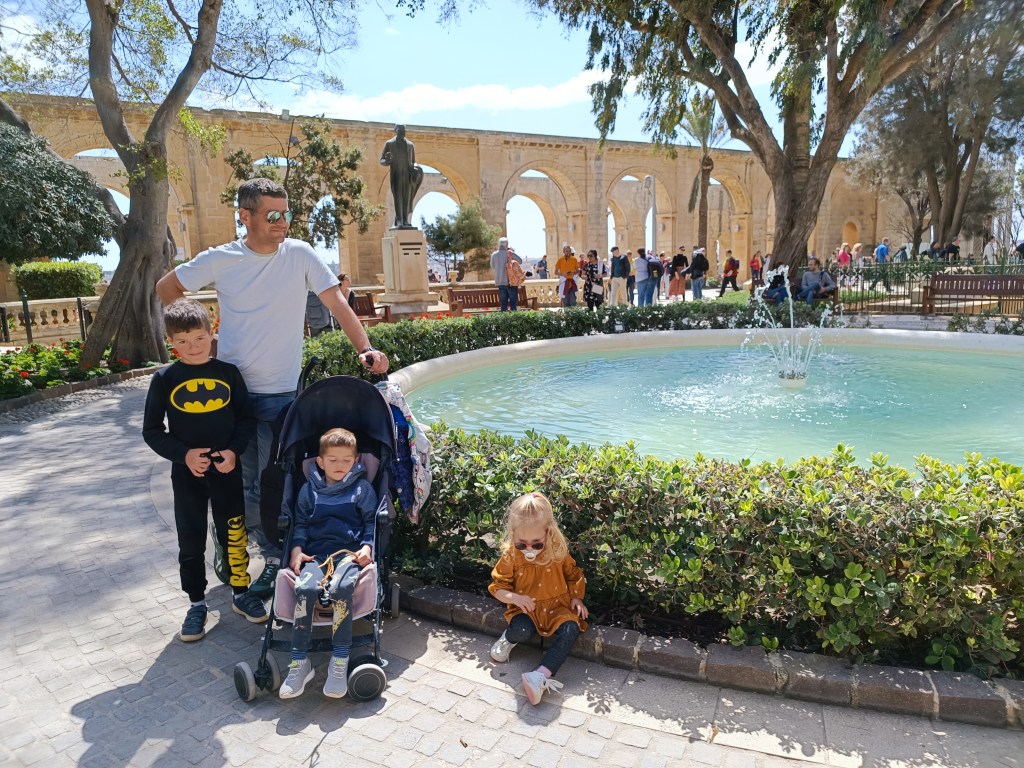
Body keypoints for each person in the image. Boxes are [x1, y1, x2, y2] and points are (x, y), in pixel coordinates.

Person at [156, 177, 389, 599]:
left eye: (287, 214)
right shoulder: (222, 258)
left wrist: (366, 348)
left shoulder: (299, 254)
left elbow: (337, 303)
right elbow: (166, 288)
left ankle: (266, 557)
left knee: (274, 484)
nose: (283, 222)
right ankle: (238, 548)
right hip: (231, 396)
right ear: (245, 216)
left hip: (283, 395)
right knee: (240, 482)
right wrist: (200, 342)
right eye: (273, 215)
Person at [142, 299, 267, 642]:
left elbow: (246, 419)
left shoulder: (228, 373)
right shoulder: (165, 379)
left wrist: (233, 451)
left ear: (211, 334)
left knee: (234, 534)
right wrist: (184, 455)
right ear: (171, 342)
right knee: (190, 538)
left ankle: (241, 592)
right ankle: (196, 603)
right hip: (188, 475)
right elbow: (152, 431)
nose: (192, 347)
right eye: (182, 341)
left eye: (198, 338)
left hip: (226, 469)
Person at [279, 428, 378, 699]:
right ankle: (300, 662)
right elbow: (300, 524)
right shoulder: (308, 491)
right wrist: (296, 551)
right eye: (332, 460)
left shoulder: (362, 489)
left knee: (340, 588)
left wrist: (367, 547)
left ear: (356, 460)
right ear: (320, 462)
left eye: (346, 460)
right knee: (305, 589)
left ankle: (340, 659)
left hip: (348, 555)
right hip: (315, 556)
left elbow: (371, 523)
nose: (339, 465)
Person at [488, 492, 588, 706]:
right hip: (526, 609)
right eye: (521, 544)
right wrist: (514, 597)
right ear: (513, 534)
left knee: (571, 629)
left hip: (557, 608)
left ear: (548, 533)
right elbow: (498, 587)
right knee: (522, 630)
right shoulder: (511, 556)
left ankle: (540, 675)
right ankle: (509, 638)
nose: (529, 549)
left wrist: (576, 598)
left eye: (537, 544)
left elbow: (574, 575)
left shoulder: (557, 552)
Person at [379, 124, 423, 228]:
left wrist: (416, 169)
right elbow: (382, 160)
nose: (402, 132)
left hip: (408, 175)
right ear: (396, 131)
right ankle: (399, 220)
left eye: (403, 131)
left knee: (407, 198)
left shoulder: (410, 145)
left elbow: (413, 161)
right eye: (400, 131)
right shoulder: (389, 144)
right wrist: (387, 160)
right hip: (396, 175)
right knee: (398, 197)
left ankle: (405, 220)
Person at [491, 236, 522, 312]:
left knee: (503, 305)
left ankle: (504, 319)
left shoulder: (494, 255)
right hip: (511, 282)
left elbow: (492, 266)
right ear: (507, 245)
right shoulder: (509, 253)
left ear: (499, 244)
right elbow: (520, 261)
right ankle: (513, 319)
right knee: (513, 305)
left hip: (500, 282)